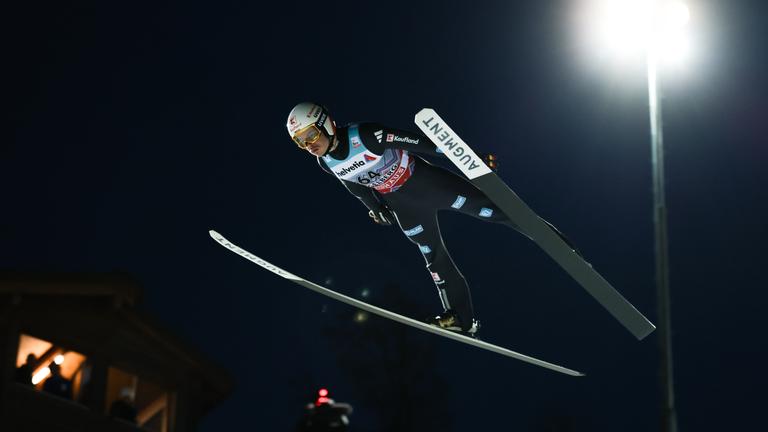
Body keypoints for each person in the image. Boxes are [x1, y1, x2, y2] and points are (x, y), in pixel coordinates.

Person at [286, 102, 579, 337]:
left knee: (496, 211)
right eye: (300, 142)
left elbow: (422, 144)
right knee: (433, 257)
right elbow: (352, 183)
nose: (309, 144)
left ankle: (561, 247)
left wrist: (469, 159)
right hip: (403, 205)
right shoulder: (325, 162)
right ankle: (461, 319)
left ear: (327, 124)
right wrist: (374, 206)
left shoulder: (366, 136)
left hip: (427, 183)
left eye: (311, 134)